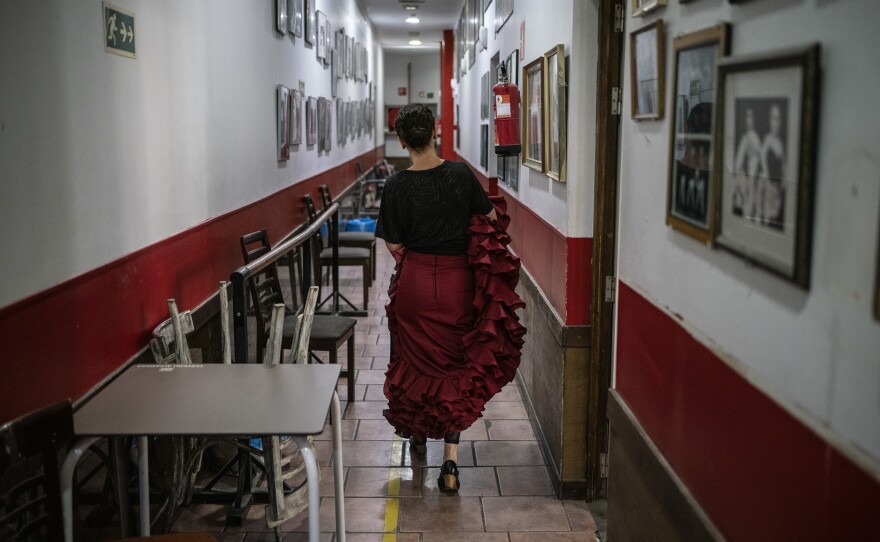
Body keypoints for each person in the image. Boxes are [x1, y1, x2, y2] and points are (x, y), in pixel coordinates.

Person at [375, 103, 507, 493]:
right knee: (455, 366)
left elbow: (394, 242)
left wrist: (415, 258)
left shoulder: (396, 185)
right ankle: (449, 465)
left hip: (415, 282)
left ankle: (417, 437)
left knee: (413, 361)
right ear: (436, 130)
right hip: (456, 285)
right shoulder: (460, 174)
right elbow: (491, 220)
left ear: (401, 141)